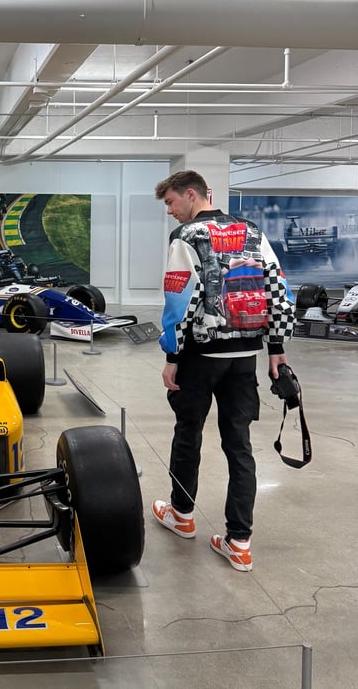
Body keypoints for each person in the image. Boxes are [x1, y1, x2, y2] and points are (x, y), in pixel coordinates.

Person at [152, 170, 296, 572]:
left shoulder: (186, 238)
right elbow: (278, 288)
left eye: (171, 203)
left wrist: (172, 355)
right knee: (239, 446)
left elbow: (179, 298)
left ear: (191, 194)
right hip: (244, 359)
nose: (170, 212)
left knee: (188, 433)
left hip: (200, 357)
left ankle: (181, 516)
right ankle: (239, 543)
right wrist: (276, 347)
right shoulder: (252, 232)